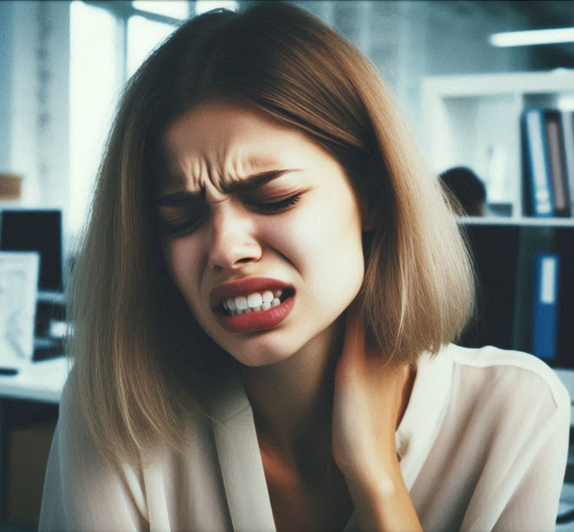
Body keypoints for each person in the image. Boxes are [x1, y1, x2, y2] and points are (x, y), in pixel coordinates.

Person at [39, 3, 569, 531]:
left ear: (375, 194)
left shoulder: (515, 412)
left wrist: (375, 475)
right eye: (182, 216)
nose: (225, 248)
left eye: (275, 197)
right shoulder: (113, 410)